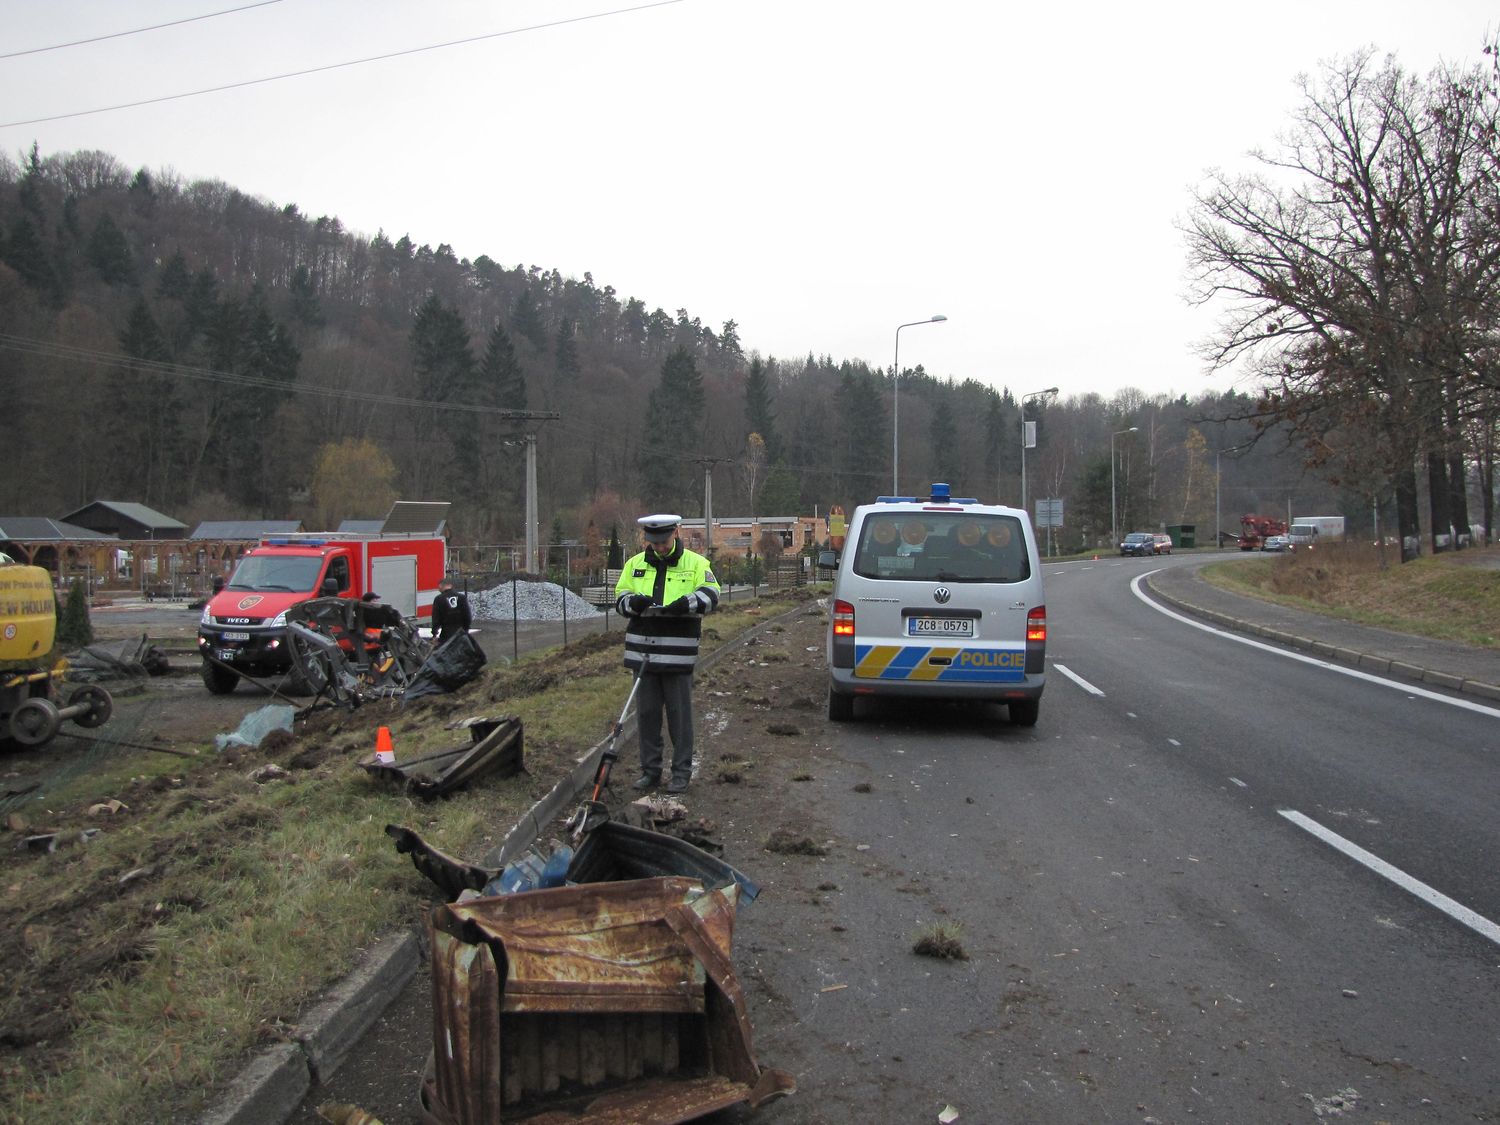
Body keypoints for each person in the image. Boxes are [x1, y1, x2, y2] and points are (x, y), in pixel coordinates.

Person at [614, 514, 720, 795]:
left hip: (677, 656)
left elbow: (712, 594)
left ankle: (681, 774)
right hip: (643, 654)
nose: (659, 547)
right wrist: (632, 603)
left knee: (679, 718)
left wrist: (686, 603)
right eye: (653, 542)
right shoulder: (634, 564)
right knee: (647, 717)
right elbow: (620, 598)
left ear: (675, 533)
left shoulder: (697, 564)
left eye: (663, 541)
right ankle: (650, 772)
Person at [431, 577, 472, 648]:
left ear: (441, 586)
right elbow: (467, 616)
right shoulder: (462, 597)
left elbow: (436, 618)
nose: (438, 589)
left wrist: (434, 634)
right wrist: (466, 629)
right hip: (461, 633)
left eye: (438, 587)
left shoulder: (439, 599)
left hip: (446, 634)